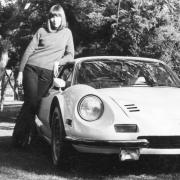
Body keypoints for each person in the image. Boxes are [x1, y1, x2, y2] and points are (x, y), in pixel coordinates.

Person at [12, 4, 74, 147]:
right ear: (49, 18)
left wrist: (60, 61)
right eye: (52, 16)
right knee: (31, 102)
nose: (54, 20)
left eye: (57, 16)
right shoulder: (41, 31)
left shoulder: (67, 33)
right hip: (31, 68)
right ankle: (20, 138)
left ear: (62, 18)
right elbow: (28, 51)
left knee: (34, 105)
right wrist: (20, 72)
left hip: (48, 73)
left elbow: (71, 54)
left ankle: (26, 136)